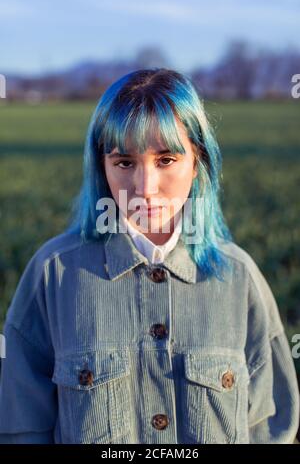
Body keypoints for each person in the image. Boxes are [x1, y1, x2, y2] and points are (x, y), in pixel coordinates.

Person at [0, 68, 299, 444]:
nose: (145, 188)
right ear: (102, 167)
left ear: (198, 161)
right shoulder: (53, 275)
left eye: (167, 160)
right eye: (124, 162)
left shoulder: (240, 278)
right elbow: (20, 428)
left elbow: (273, 429)